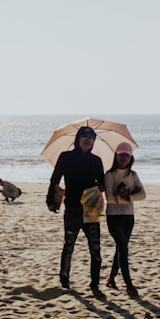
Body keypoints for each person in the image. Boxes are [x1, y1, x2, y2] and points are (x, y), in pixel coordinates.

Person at [47, 126, 106, 298]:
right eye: (85, 137)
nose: (88, 140)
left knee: (95, 250)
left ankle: (95, 285)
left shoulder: (96, 160)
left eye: (91, 138)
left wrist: (95, 189)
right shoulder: (65, 157)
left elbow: (103, 184)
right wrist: (51, 200)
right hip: (72, 208)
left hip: (91, 209)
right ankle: (64, 280)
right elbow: (55, 179)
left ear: (94, 141)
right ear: (78, 138)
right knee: (68, 246)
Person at [103, 142, 146, 297]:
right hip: (113, 217)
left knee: (121, 248)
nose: (123, 158)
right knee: (123, 247)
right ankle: (128, 284)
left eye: (126, 155)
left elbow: (143, 195)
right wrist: (129, 197)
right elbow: (109, 198)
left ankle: (111, 278)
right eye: (121, 155)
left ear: (130, 157)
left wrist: (125, 197)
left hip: (129, 216)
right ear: (116, 156)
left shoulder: (133, 175)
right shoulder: (109, 175)